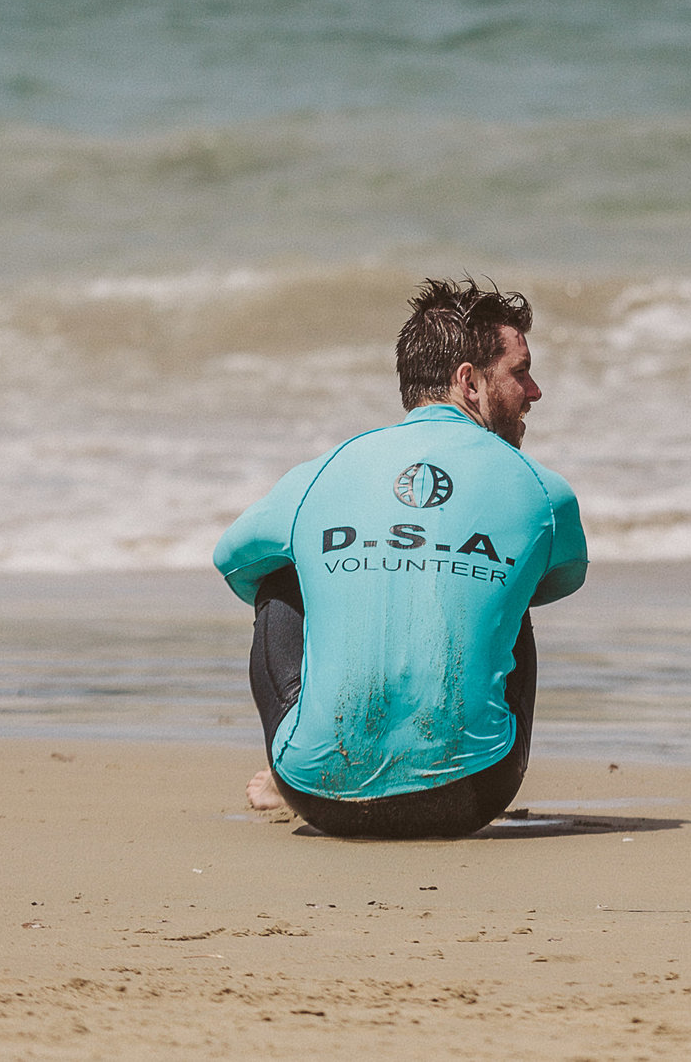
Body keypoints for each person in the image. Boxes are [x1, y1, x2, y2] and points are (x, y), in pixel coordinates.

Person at [213, 278, 587, 839]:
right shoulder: (542, 490)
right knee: (512, 591)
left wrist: (358, 567)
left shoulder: (325, 470)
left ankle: (300, 741)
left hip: (317, 792)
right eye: (520, 372)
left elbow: (235, 562)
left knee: (280, 575)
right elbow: (562, 577)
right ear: (469, 381)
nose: (534, 391)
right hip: (474, 789)